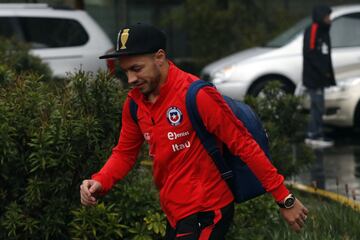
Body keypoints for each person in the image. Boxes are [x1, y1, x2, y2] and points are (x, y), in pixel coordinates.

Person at [80, 23, 308, 239]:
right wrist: (100, 181)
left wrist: (284, 199)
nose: (130, 79)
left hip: (207, 211)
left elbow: (245, 145)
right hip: (175, 213)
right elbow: (124, 153)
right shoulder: (134, 103)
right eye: (126, 71)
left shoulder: (197, 95)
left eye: (136, 69)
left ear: (159, 57)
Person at [303, 5, 336, 147]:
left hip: (322, 78)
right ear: (321, 16)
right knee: (317, 106)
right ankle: (313, 135)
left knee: (319, 106)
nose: (330, 19)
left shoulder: (324, 31)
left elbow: (326, 55)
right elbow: (309, 52)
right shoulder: (313, 29)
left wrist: (329, 76)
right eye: (327, 16)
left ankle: (317, 134)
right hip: (314, 78)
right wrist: (321, 71)